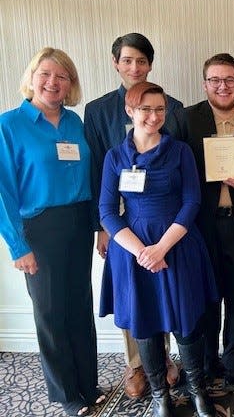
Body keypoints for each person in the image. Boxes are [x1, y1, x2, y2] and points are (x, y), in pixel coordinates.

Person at [98, 81, 218, 417]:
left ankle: (198, 392)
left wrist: (161, 247)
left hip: (178, 245)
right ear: (130, 111)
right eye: (146, 109)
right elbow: (107, 211)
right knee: (145, 325)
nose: (154, 116)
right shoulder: (114, 156)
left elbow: (192, 200)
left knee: (187, 323)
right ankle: (159, 395)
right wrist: (142, 252)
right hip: (133, 251)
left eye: (160, 109)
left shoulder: (180, 151)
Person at [0, 48, 104, 416]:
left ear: (70, 85)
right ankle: (66, 394)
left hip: (77, 224)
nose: (53, 82)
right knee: (50, 311)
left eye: (62, 77)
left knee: (79, 306)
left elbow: (91, 179)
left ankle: (88, 385)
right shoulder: (9, 124)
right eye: (45, 74)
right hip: (40, 228)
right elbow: (3, 191)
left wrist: (98, 226)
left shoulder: (75, 123)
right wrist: (17, 246)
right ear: (31, 77)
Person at [84, 33, 182, 398]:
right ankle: (137, 365)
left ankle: (167, 359)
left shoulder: (172, 105)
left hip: (161, 215)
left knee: (165, 285)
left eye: (141, 61)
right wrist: (102, 228)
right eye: (127, 61)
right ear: (115, 63)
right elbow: (97, 167)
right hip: (119, 218)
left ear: (150, 65)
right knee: (133, 292)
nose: (134, 67)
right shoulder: (97, 110)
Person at [176, 53, 234, 392]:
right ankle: (204, 364)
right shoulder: (184, 120)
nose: (223, 86)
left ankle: (233, 366)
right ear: (205, 85)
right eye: (215, 80)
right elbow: (173, 173)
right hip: (200, 228)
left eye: (230, 80)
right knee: (204, 300)